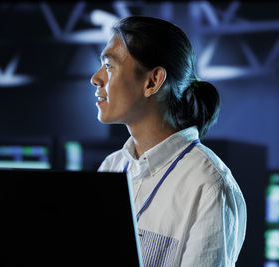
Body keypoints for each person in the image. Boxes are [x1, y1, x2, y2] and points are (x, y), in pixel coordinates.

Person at [91, 16, 246, 267]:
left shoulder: (209, 186)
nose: (96, 78)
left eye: (109, 66)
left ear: (152, 81)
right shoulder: (112, 167)